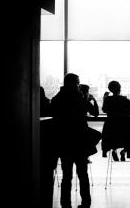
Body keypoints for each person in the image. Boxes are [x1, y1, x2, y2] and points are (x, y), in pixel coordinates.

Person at [50, 73, 95, 208]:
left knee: (66, 175)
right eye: (77, 83)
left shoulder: (57, 99)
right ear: (73, 83)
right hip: (80, 141)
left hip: (64, 141)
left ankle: (65, 204)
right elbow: (94, 112)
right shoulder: (80, 98)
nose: (78, 85)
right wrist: (88, 99)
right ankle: (86, 203)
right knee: (82, 174)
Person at [101, 81, 130, 161]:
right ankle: (125, 151)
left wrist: (104, 99)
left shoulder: (107, 99)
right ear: (119, 89)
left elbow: (104, 109)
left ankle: (114, 150)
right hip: (125, 125)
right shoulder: (123, 99)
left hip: (111, 125)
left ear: (110, 89)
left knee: (114, 137)